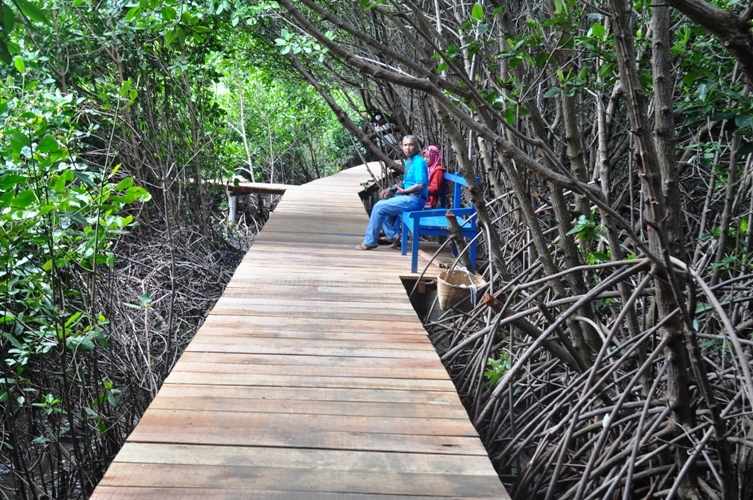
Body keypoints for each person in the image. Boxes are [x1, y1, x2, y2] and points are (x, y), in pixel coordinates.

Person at [355, 135, 428, 250]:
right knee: (382, 204)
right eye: (405, 145)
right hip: (408, 197)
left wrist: (404, 191)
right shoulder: (410, 162)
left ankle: (370, 242)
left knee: (379, 207)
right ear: (401, 147)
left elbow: (420, 184)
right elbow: (406, 182)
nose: (408, 148)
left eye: (411, 145)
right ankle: (394, 236)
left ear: (416, 146)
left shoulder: (419, 162)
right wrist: (392, 189)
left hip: (415, 200)